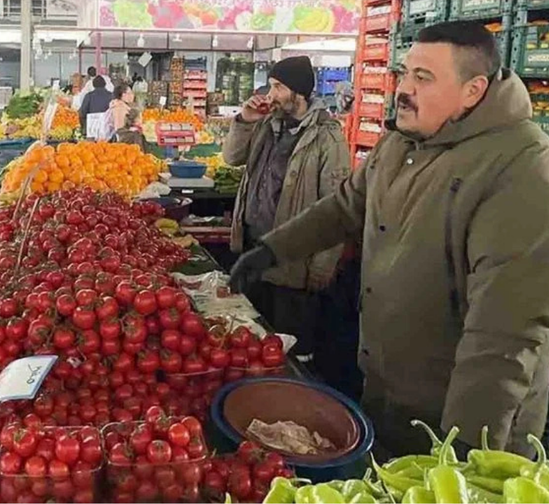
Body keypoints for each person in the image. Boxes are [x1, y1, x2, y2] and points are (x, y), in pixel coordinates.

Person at [229, 21, 549, 457]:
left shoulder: (521, 169)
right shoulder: (402, 143)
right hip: (387, 383)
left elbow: (505, 332)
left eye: (424, 77)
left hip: (461, 415)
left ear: (473, 90)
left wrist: (469, 455)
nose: (404, 88)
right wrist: (271, 250)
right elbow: (344, 207)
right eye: (404, 72)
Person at [223, 55, 351, 367]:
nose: (270, 94)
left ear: (299, 92)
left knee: (289, 353)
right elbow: (231, 157)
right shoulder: (267, 124)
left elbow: (337, 205)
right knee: (252, 342)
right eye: (271, 86)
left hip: (294, 264)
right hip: (255, 250)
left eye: (278, 87)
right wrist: (245, 119)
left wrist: (322, 267)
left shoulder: (326, 137)